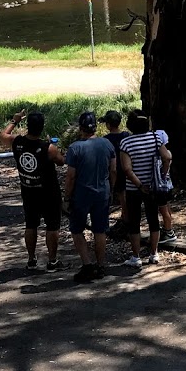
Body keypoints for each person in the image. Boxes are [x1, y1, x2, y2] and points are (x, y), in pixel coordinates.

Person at [0, 109, 65, 272]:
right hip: (49, 193)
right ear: (42, 127)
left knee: (31, 225)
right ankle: (52, 261)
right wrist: (55, 147)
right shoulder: (48, 147)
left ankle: (31, 259)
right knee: (52, 227)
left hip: (28, 191)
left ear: (27, 126)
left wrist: (14, 120)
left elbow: (3, 136)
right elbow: (61, 161)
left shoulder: (17, 142)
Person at [64, 111, 116, 283]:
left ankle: (87, 264)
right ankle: (101, 265)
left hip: (81, 195)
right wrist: (111, 189)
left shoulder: (75, 148)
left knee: (77, 229)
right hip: (102, 192)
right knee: (100, 230)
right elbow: (113, 170)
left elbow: (71, 176)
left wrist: (66, 197)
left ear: (80, 128)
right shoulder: (107, 144)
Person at [119, 110, 172, 267]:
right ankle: (154, 253)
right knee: (153, 219)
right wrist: (163, 173)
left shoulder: (126, 143)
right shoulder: (155, 138)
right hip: (153, 185)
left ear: (130, 125)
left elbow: (127, 169)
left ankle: (135, 257)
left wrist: (139, 185)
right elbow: (167, 157)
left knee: (134, 221)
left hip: (134, 188)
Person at [100, 110, 129, 236]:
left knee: (122, 197)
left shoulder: (105, 140)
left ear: (108, 125)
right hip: (128, 169)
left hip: (115, 171)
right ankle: (125, 218)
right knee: (126, 197)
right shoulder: (126, 135)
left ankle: (127, 222)